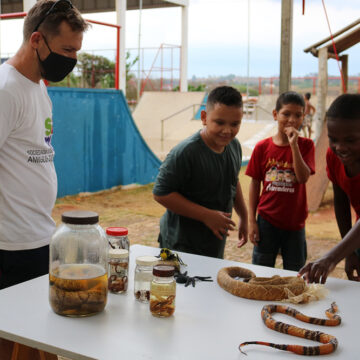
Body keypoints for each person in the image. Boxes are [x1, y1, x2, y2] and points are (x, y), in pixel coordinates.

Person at [0, 0, 88, 290]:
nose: (72, 59)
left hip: (38, 238)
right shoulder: (6, 90)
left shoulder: (37, 86)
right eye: (67, 50)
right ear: (36, 39)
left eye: (76, 51)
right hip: (10, 249)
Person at [153, 86, 248, 258]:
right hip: (180, 245)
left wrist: (244, 216)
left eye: (235, 124)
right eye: (219, 122)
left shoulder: (234, 146)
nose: (227, 131)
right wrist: (206, 216)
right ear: (204, 117)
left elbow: (233, 180)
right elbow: (160, 193)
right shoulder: (185, 152)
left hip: (213, 243)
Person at [246, 91, 315, 271]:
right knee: (261, 271)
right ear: (276, 115)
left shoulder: (306, 146)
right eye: (286, 114)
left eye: (298, 115)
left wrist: (294, 146)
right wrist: (251, 221)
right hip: (266, 221)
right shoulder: (262, 147)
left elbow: (302, 178)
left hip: (295, 223)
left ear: (303, 117)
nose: (291, 120)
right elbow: (254, 184)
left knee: (295, 273)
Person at [298, 94, 360, 284]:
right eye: (333, 139)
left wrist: (332, 258)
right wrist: (349, 252)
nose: (340, 147)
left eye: (350, 140)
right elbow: (341, 200)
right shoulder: (333, 157)